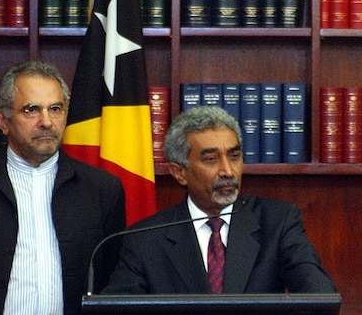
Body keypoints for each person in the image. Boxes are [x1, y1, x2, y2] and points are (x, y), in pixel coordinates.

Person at [0, 60, 126, 315]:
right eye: (32, 109)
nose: (47, 122)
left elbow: (110, 274)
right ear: (3, 120)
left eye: (56, 109)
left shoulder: (102, 189)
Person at [102, 105, 337, 295]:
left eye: (234, 156)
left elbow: (319, 295)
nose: (228, 170)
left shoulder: (278, 223)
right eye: (212, 159)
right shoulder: (144, 240)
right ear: (178, 172)